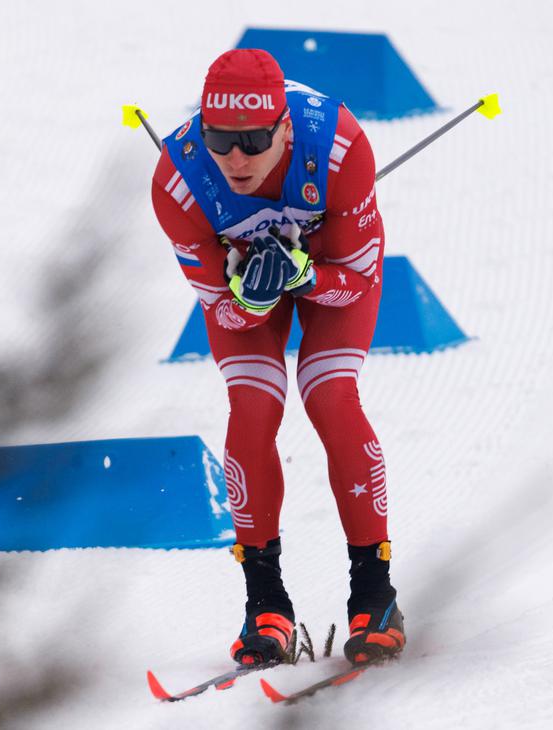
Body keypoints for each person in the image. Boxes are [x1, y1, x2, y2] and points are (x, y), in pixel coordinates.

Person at [150, 48, 404, 666]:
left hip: (329, 273)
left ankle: (375, 594)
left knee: (331, 396)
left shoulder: (339, 147)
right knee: (253, 410)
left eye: (253, 140)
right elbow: (223, 310)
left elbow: (359, 276)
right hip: (252, 291)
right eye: (219, 139)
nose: (235, 158)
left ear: (285, 128)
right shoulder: (178, 182)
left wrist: (301, 274)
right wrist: (253, 295)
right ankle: (266, 604)